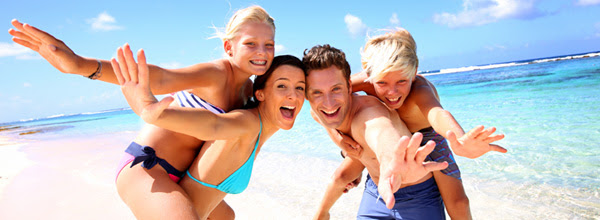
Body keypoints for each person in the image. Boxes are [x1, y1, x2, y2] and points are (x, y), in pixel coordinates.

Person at [9, 6, 275, 219]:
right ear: (229, 47)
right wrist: (80, 65)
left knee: (225, 217)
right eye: (251, 44)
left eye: (269, 44)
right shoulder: (217, 73)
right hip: (147, 169)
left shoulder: (250, 92)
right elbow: (159, 78)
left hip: (184, 177)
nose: (262, 52)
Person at [314, 29, 507, 219]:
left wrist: (460, 139)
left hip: (427, 138)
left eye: (401, 81)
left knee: (459, 203)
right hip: (389, 139)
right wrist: (339, 139)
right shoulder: (364, 81)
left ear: (414, 73)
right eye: (382, 83)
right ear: (369, 74)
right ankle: (322, 213)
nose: (392, 91)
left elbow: (437, 114)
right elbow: (321, 105)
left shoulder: (420, 90)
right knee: (341, 176)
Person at [114, 53, 306, 219]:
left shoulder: (261, 129)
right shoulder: (248, 123)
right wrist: (158, 115)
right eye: (282, 86)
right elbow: (213, 124)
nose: (293, 96)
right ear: (261, 94)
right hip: (147, 174)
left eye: (300, 88)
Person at [302, 44, 449, 219]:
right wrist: (338, 139)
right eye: (317, 93)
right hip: (376, 193)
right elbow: (316, 115)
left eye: (336, 89)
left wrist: (392, 162)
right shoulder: (320, 112)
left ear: (349, 87)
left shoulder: (368, 114)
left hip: (418, 197)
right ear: (306, 96)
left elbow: (381, 132)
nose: (329, 103)